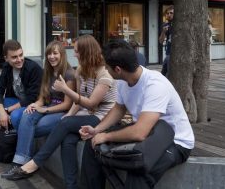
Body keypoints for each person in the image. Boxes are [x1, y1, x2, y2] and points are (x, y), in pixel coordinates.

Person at [4, 35, 117, 189]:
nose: (75, 54)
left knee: (64, 124)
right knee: (67, 140)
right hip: (86, 114)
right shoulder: (81, 70)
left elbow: (91, 104)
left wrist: (65, 92)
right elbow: (79, 100)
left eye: (77, 51)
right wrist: (69, 115)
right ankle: (71, 186)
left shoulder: (105, 75)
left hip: (102, 117)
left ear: (86, 52)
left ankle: (34, 163)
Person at [80, 40, 194, 189]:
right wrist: (97, 130)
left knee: (139, 171)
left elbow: (140, 132)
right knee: (93, 143)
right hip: (148, 132)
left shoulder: (155, 85)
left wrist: (107, 136)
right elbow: (119, 109)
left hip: (176, 141)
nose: (106, 70)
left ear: (118, 69)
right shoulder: (122, 80)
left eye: (107, 67)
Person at [1, 41, 75, 178]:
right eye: (49, 54)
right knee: (26, 115)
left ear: (62, 55)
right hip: (47, 106)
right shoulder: (48, 72)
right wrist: (36, 105)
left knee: (31, 127)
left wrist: (44, 110)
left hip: (61, 112)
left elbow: (67, 105)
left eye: (55, 53)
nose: (51, 57)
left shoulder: (69, 74)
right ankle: (20, 163)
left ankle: (23, 163)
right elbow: (42, 97)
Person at [0, 39, 43, 131]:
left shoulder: (33, 68)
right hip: (16, 100)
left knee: (15, 115)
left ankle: (11, 138)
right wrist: (2, 112)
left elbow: (32, 98)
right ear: (6, 58)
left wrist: (8, 110)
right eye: (14, 57)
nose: (19, 60)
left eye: (21, 55)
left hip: (32, 104)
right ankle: (2, 137)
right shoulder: (7, 67)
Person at [158, 5, 174, 76]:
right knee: (164, 73)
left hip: (177, 54)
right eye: (167, 13)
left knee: (168, 74)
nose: (169, 15)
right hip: (169, 53)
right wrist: (163, 32)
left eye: (171, 13)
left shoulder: (179, 25)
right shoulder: (166, 25)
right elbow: (161, 41)